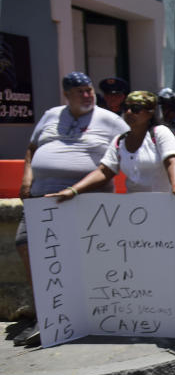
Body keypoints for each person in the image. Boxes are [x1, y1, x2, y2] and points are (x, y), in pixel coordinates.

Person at [13, 71, 129, 346]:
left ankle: (82, 315)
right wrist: (27, 178)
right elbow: (32, 148)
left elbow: (126, 153)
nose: (88, 95)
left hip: (85, 199)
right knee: (25, 243)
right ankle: (46, 311)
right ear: (67, 95)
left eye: (89, 90)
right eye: (81, 92)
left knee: (80, 256)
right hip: (41, 198)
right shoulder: (51, 115)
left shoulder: (108, 119)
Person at [46, 90, 175, 199]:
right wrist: (73, 191)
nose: (129, 112)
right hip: (140, 210)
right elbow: (104, 171)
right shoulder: (119, 141)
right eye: (126, 108)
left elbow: (172, 161)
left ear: (150, 113)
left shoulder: (160, 133)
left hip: (170, 203)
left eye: (135, 109)